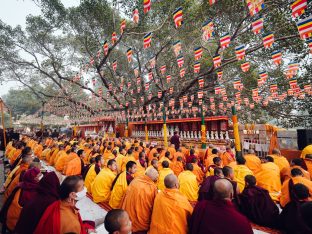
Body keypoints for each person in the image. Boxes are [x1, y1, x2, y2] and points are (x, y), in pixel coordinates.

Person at [0, 168, 41, 232]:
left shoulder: (22, 185)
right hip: (16, 222)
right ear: (33, 178)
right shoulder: (31, 191)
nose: (40, 178)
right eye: (38, 176)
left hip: (10, 218)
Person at [122, 168, 159, 233]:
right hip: (140, 222)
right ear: (154, 179)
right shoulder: (152, 188)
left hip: (127, 215)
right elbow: (154, 205)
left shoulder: (135, 180)